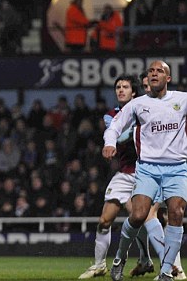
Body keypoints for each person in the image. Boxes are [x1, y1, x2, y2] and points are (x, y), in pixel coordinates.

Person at [105, 61, 187, 281]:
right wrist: (110, 142)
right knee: (139, 215)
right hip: (148, 168)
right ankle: (119, 258)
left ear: (168, 78)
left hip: (177, 168)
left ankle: (166, 272)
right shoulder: (138, 104)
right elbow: (115, 125)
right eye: (151, 71)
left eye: (159, 71)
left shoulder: (182, 99)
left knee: (176, 214)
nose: (154, 73)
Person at [78, 75, 164, 279]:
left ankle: (150, 261)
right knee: (104, 220)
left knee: (141, 218)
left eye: (125, 87)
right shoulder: (111, 116)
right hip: (124, 174)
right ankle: (99, 265)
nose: (121, 90)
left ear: (134, 92)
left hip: (145, 173)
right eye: (118, 87)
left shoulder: (146, 109)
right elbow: (120, 135)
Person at [140, 73, 187, 280]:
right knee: (149, 215)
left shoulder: (172, 107)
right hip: (147, 168)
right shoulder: (139, 108)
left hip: (170, 166)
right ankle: (162, 264)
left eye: (149, 85)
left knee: (163, 215)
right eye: (144, 86)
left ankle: (170, 266)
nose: (147, 89)